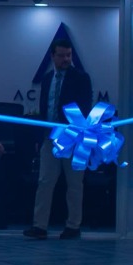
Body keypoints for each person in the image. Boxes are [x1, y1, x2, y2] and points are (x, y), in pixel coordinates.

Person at [25, 39, 93, 240]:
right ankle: (39, 226)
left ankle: (73, 226)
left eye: (68, 55)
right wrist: (41, 135)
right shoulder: (47, 79)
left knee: (74, 184)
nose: (66, 59)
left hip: (72, 139)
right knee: (45, 181)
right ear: (53, 56)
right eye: (62, 55)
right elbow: (45, 108)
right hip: (49, 137)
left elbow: (84, 109)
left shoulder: (81, 78)